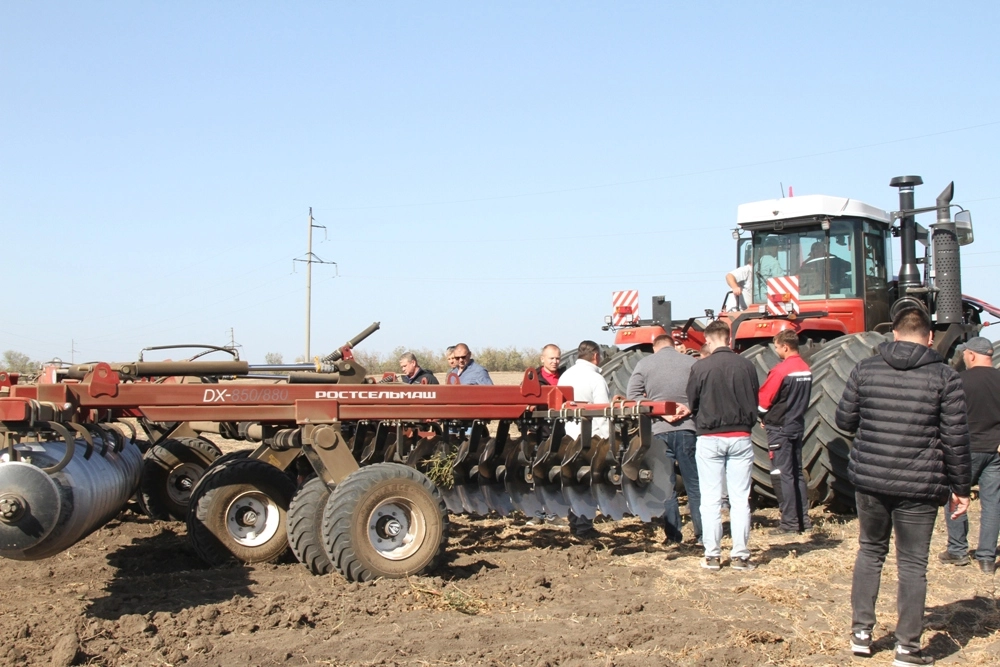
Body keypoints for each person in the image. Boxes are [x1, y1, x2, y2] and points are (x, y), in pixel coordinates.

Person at [836, 307, 971, 664]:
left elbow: (844, 420)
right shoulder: (945, 376)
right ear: (929, 338)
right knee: (912, 564)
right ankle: (907, 648)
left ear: (893, 334)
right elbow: (955, 438)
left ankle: (861, 634)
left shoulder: (865, 368)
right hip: (920, 485)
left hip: (871, 479)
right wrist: (961, 487)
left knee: (870, 551)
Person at [686, 320, 760, 571]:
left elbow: (692, 402)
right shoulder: (747, 365)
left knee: (710, 499)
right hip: (740, 435)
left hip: (709, 437)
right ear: (729, 338)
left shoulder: (701, 367)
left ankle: (712, 555)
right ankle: (740, 556)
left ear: (707, 340)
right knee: (740, 499)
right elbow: (754, 398)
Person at [627, 334, 701, 546]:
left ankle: (673, 536)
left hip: (659, 431)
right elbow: (700, 394)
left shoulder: (645, 363)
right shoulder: (691, 362)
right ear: (673, 345)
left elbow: (632, 397)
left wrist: (660, 411)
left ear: (654, 347)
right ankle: (703, 535)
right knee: (694, 484)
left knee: (666, 486)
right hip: (688, 430)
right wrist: (688, 408)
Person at [940, 336, 1000, 573]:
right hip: (994, 451)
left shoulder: (958, 381)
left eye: (965, 354)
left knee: (955, 497)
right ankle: (986, 558)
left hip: (964, 451)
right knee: (992, 502)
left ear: (972, 355)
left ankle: (957, 550)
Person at [757, 330, 812, 534]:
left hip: (779, 429)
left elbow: (763, 402)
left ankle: (789, 523)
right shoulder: (805, 369)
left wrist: (762, 417)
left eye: (777, 347)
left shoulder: (781, 371)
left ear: (785, 347)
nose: (777, 350)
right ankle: (803, 520)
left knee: (784, 475)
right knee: (797, 473)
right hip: (797, 425)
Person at [558, 340, 609, 538]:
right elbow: (604, 413)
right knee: (587, 481)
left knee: (573, 478)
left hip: (569, 436)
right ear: (595, 356)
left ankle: (576, 524)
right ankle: (584, 528)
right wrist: (607, 444)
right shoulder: (596, 379)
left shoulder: (565, 376)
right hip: (591, 439)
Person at [725, 238, 783, 310]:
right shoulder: (747, 269)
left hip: (750, 307)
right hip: (738, 309)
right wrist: (735, 287)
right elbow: (729, 276)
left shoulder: (756, 271)